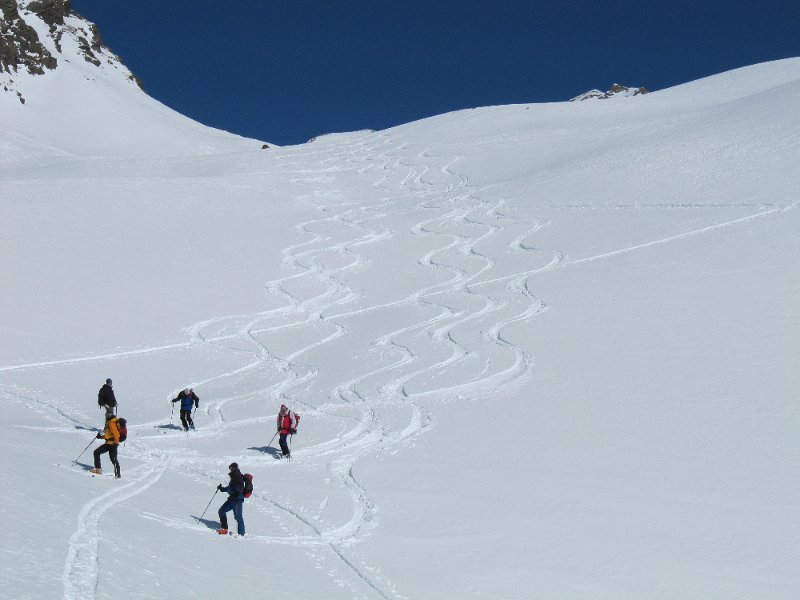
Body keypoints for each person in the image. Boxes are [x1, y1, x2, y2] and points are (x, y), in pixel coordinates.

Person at [217, 462, 245, 536]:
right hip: (232, 499)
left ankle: (241, 534)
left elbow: (240, 486)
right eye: (230, 468)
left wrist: (237, 492)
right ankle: (224, 529)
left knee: (238, 517)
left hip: (237, 500)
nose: (230, 469)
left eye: (231, 468)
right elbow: (230, 488)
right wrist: (222, 489)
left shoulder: (238, 476)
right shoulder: (233, 476)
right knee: (221, 511)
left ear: (235, 468)